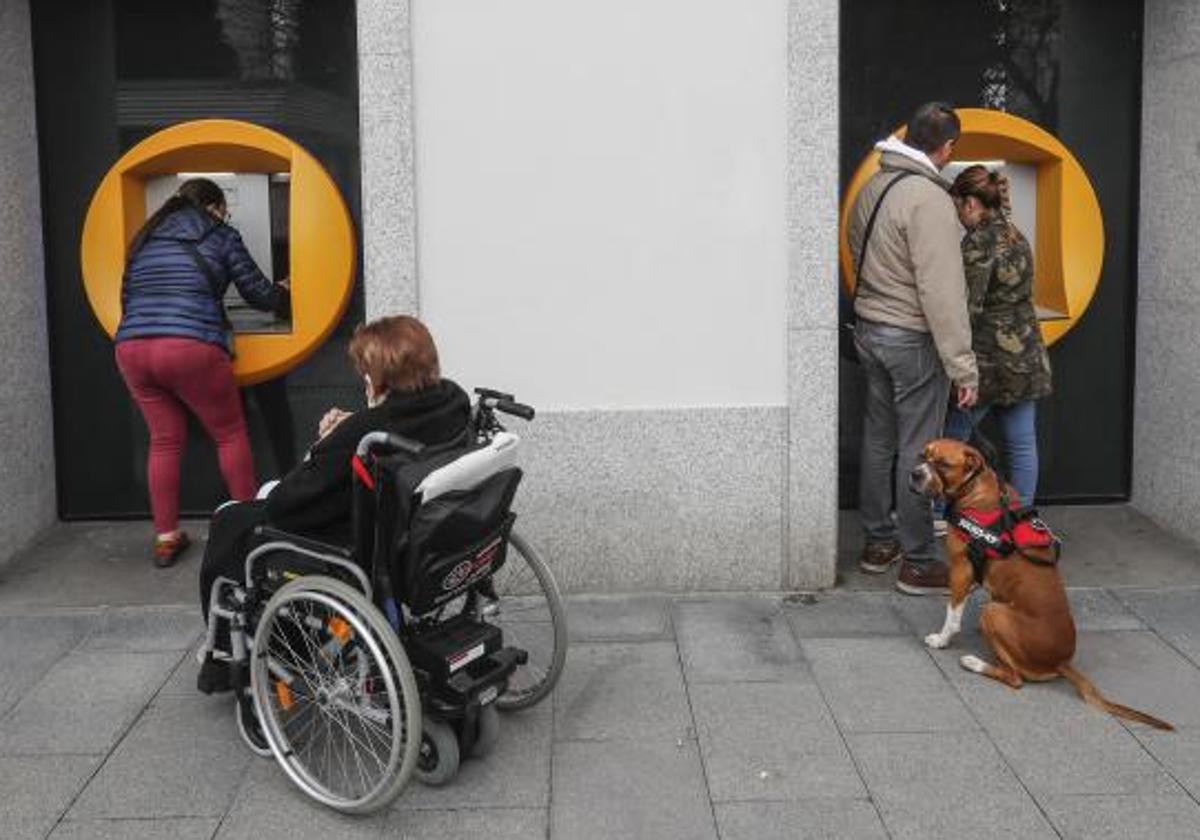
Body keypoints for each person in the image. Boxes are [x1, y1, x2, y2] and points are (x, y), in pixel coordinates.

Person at [196, 314, 471, 693]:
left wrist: (325, 445)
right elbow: (396, 429)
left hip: (359, 541)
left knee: (232, 519)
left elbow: (288, 505)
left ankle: (229, 657)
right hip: (420, 533)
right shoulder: (452, 401)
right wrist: (351, 428)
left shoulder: (363, 432)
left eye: (365, 372)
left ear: (378, 379)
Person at [114, 178, 290, 568]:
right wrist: (285, 289)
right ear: (212, 207)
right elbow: (258, 294)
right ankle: (248, 532)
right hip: (189, 345)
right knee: (229, 433)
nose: (225, 216)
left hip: (132, 346)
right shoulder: (221, 234)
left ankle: (165, 537)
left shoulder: (145, 238)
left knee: (164, 440)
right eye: (224, 209)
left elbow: (127, 298)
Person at [847, 102, 979, 595]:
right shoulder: (927, 199)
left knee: (879, 439)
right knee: (919, 448)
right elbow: (942, 291)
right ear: (946, 147)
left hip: (871, 329)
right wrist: (963, 367)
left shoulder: (875, 186)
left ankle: (879, 544)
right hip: (911, 338)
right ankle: (919, 561)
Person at [943, 165, 1052, 505]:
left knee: (954, 439)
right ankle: (1022, 517)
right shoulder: (1015, 234)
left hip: (988, 360)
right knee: (1021, 443)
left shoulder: (978, 243)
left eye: (957, 206)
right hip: (1026, 354)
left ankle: (937, 511)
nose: (958, 215)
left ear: (971, 204)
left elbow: (967, 308)